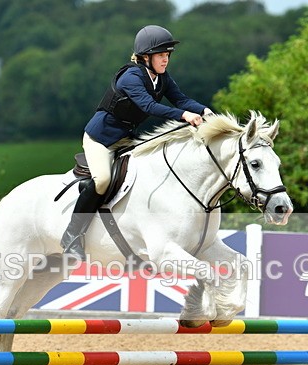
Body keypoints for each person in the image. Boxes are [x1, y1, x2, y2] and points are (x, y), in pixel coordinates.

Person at [60, 24, 212, 260]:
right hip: (100, 139)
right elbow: (148, 107)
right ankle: (72, 234)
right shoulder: (130, 77)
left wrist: (206, 111)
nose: (166, 59)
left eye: (168, 54)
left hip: (125, 139)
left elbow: (180, 99)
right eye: (161, 55)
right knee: (103, 180)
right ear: (145, 57)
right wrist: (184, 116)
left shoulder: (161, 78)